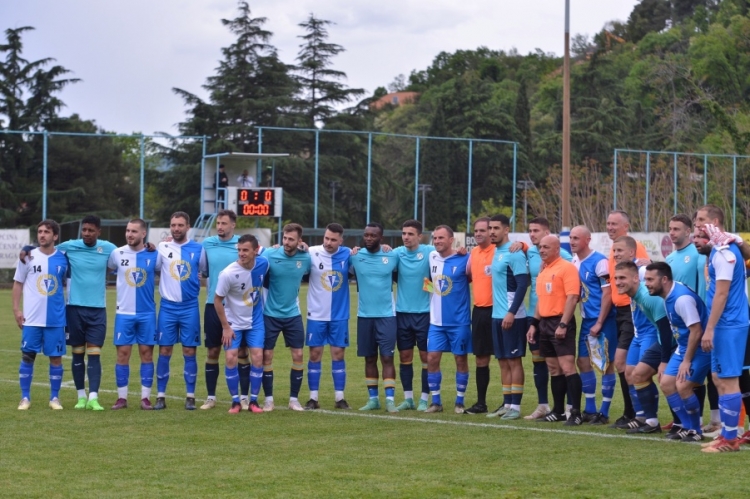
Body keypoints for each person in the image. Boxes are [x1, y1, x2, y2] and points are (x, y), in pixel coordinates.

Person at [694, 205, 749, 452]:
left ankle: (729, 440)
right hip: (725, 324)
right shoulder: (720, 249)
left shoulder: (724, 252)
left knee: (728, 379)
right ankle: (727, 435)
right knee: (718, 377)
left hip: (729, 324)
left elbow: (722, 293)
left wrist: (710, 328)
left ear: (715, 222)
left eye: (702, 220)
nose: (697, 224)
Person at [511, 217, 572, 419]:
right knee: (539, 361)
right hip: (535, 315)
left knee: (563, 364)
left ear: (547, 234)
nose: (532, 234)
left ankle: (569, 406)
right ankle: (543, 405)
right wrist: (523, 245)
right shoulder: (530, 252)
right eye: (530, 230)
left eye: (536, 230)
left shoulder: (561, 256)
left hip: (557, 316)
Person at [644, 262, 711, 442]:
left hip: (700, 348)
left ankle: (695, 430)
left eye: (650, 279)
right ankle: (686, 426)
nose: (646, 284)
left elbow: (697, 331)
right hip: (684, 347)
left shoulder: (681, 299)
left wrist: (686, 361)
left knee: (683, 385)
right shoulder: (668, 294)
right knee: (666, 382)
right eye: (645, 279)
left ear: (664, 279)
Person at [56, 215, 117, 411]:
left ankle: (93, 398)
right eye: (85, 230)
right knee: (77, 353)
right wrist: (26, 250)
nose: (87, 234)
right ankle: (80, 397)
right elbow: (45, 250)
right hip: (74, 309)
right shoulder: (69, 246)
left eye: (91, 230)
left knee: (94, 354)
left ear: (98, 231)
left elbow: (129, 254)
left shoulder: (108, 248)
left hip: (98, 309)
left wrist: (150, 245)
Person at [664, 214, 714, 436]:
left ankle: (712, 421)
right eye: (670, 229)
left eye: (677, 229)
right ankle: (690, 423)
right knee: (672, 380)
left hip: (699, 322)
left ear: (688, 232)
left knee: (708, 377)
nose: (672, 233)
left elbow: (699, 288)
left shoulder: (697, 254)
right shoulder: (670, 258)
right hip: (681, 327)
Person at [200, 210, 254, 409]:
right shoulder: (207, 244)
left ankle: (244, 397)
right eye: (218, 223)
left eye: (224, 223)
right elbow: (203, 270)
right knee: (213, 350)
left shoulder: (243, 244)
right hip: (213, 305)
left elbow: (263, 257)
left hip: (238, 308)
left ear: (233, 225)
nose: (220, 227)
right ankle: (211, 397)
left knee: (241, 351)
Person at [13, 220, 69, 410]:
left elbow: (68, 286)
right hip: (31, 318)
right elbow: (18, 282)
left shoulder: (64, 258)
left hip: (55, 319)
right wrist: (16, 309)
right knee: (27, 356)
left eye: (46, 232)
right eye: (39, 231)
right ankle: (25, 398)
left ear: (55, 236)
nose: (42, 235)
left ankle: (54, 398)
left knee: (56, 358)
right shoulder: (27, 256)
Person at [526, 235, 582, 425]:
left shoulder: (567, 268)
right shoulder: (543, 271)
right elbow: (540, 300)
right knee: (553, 368)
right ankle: (558, 411)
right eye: (541, 247)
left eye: (546, 247)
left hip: (560, 321)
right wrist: (534, 323)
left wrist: (564, 324)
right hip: (544, 323)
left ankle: (575, 412)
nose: (542, 250)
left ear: (557, 249)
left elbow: (572, 297)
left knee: (567, 367)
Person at [613, 259, 672, 434]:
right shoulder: (636, 295)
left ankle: (668, 422)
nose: (617, 282)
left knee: (651, 376)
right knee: (631, 373)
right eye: (615, 278)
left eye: (622, 278)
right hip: (643, 335)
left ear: (636, 278)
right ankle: (645, 418)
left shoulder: (646, 296)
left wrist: (664, 359)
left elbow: (664, 327)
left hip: (657, 336)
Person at [154, 212, 206, 410]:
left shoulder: (198, 249)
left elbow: (203, 271)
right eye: (173, 225)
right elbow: (156, 268)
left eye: (180, 225)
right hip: (167, 307)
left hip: (190, 307)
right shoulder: (162, 247)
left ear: (188, 227)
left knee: (189, 350)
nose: (176, 229)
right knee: (165, 350)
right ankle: (160, 396)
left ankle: (190, 396)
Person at [108, 219, 162, 410]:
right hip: (124, 313)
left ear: (143, 234)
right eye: (128, 231)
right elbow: (108, 267)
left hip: (147, 313)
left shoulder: (154, 254)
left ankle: (145, 398)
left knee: (147, 354)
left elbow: (164, 272)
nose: (130, 234)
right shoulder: (117, 253)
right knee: (122, 354)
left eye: (134, 231)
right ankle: (121, 398)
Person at [214, 234, 269, 413]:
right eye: (239, 250)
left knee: (258, 358)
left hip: (255, 321)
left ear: (255, 250)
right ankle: (235, 401)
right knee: (231, 358)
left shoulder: (263, 263)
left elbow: (277, 253)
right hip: (233, 323)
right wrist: (226, 327)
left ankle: (253, 401)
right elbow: (217, 301)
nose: (241, 253)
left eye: (245, 250)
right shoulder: (228, 274)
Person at [569, 225, 618, 425]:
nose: (572, 241)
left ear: (587, 239)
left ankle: (604, 412)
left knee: (606, 363)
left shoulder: (600, 262)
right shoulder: (573, 261)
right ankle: (590, 408)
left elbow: (608, 294)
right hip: (586, 319)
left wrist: (600, 321)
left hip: (603, 319)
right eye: (571, 238)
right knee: (582, 361)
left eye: (576, 238)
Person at [606, 210, 650, 427]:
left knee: (625, 363)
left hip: (633, 314)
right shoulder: (612, 251)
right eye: (608, 223)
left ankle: (634, 413)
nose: (610, 227)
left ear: (626, 226)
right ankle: (632, 412)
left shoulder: (634, 248)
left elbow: (646, 270)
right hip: (621, 313)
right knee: (623, 364)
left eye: (615, 224)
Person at [350, 222, 400, 412]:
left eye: (373, 235)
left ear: (381, 238)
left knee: (387, 358)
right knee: (369, 359)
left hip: (387, 316)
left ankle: (389, 400)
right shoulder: (355, 256)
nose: (369, 238)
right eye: (366, 235)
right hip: (364, 316)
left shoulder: (392, 255)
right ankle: (373, 400)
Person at [261, 223, 311, 412]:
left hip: (293, 315)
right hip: (270, 314)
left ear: (299, 240)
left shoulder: (306, 258)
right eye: (285, 238)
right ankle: (268, 399)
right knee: (267, 356)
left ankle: (293, 400)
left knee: (298, 355)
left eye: (291, 239)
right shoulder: (270, 255)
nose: (287, 242)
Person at [485, 215, 529, 420]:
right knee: (503, 361)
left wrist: (511, 312)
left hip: (513, 316)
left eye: (496, 228)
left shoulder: (515, 253)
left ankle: (516, 408)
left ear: (506, 230)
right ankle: (507, 403)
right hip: (497, 315)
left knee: (514, 361)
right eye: (490, 228)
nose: (492, 231)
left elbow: (522, 284)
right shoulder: (497, 252)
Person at [304, 223, 352, 410]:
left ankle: (340, 398)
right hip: (316, 314)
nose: (329, 242)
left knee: (338, 354)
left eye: (333, 239)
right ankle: (313, 398)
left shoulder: (348, 254)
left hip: (339, 315)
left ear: (341, 240)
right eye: (326, 238)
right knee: (315, 354)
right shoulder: (311, 252)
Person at [425, 225, 472, 414]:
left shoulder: (465, 258)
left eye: (441, 238)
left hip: (459, 322)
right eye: (435, 238)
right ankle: (436, 402)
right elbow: (429, 283)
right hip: (436, 322)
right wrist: (433, 294)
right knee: (432, 358)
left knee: (460, 360)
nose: (437, 241)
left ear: (451, 240)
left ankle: (459, 401)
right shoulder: (431, 257)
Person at [392, 219, 434, 412]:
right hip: (402, 314)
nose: (406, 237)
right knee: (405, 356)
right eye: (404, 233)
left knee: (426, 357)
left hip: (424, 314)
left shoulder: (429, 252)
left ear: (420, 236)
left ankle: (425, 398)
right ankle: (408, 398)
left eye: (410, 234)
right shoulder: (396, 253)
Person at [463, 217, 494, 415]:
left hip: (498, 310)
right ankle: (481, 403)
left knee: (507, 358)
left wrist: (523, 244)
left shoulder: (501, 251)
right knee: (481, 358)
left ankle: (511, 404)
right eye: (476, 231)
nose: (479, 234)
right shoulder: (473, 253)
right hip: (479, 311)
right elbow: (466, 275)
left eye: (483, 230)